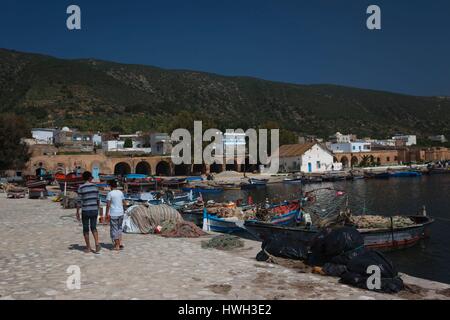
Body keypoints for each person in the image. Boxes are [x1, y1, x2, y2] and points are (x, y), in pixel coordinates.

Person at [76, 171, 101, 254]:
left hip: (85, 210)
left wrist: (77, 212)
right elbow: (98, 200)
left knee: (86, 229)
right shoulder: (95, 187)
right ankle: (97, 244)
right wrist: (97, 208)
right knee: (94, 227)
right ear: (90, 178)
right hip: (94, 209)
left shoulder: (81, 187)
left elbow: (79, 201)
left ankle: (88, 247)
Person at [105, 181, 126, 251]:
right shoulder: (120, 192)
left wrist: (106, 214)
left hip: (114, 213)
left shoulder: (110, 193)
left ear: (110, 186)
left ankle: (117, 245)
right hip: (121, 213)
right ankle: (119, 243)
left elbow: (108, 204)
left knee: (114, 229)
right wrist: (124, 210)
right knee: (119, 228)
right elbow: (124, 203)